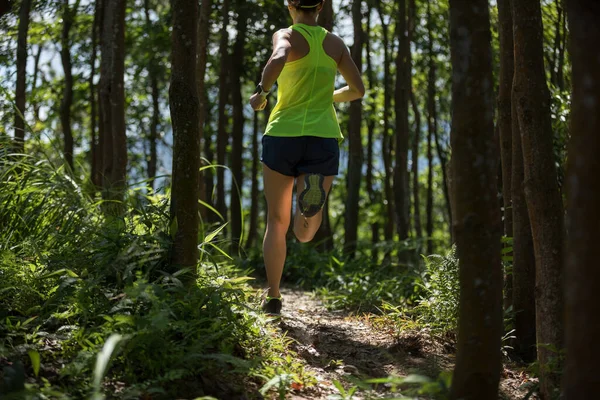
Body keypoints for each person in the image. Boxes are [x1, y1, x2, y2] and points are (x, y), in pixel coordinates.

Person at [250, 0, 365, 316]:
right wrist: (328, 95)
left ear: (290, 5)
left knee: (276, 220)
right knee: (305, 232)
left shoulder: (286, 34)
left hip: (283, 134)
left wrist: (262, 91)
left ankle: (274, 294)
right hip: (322, 136)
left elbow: (278, 57)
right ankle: (308, 209)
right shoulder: (335, 44)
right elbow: (357, 89)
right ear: (322, 6)